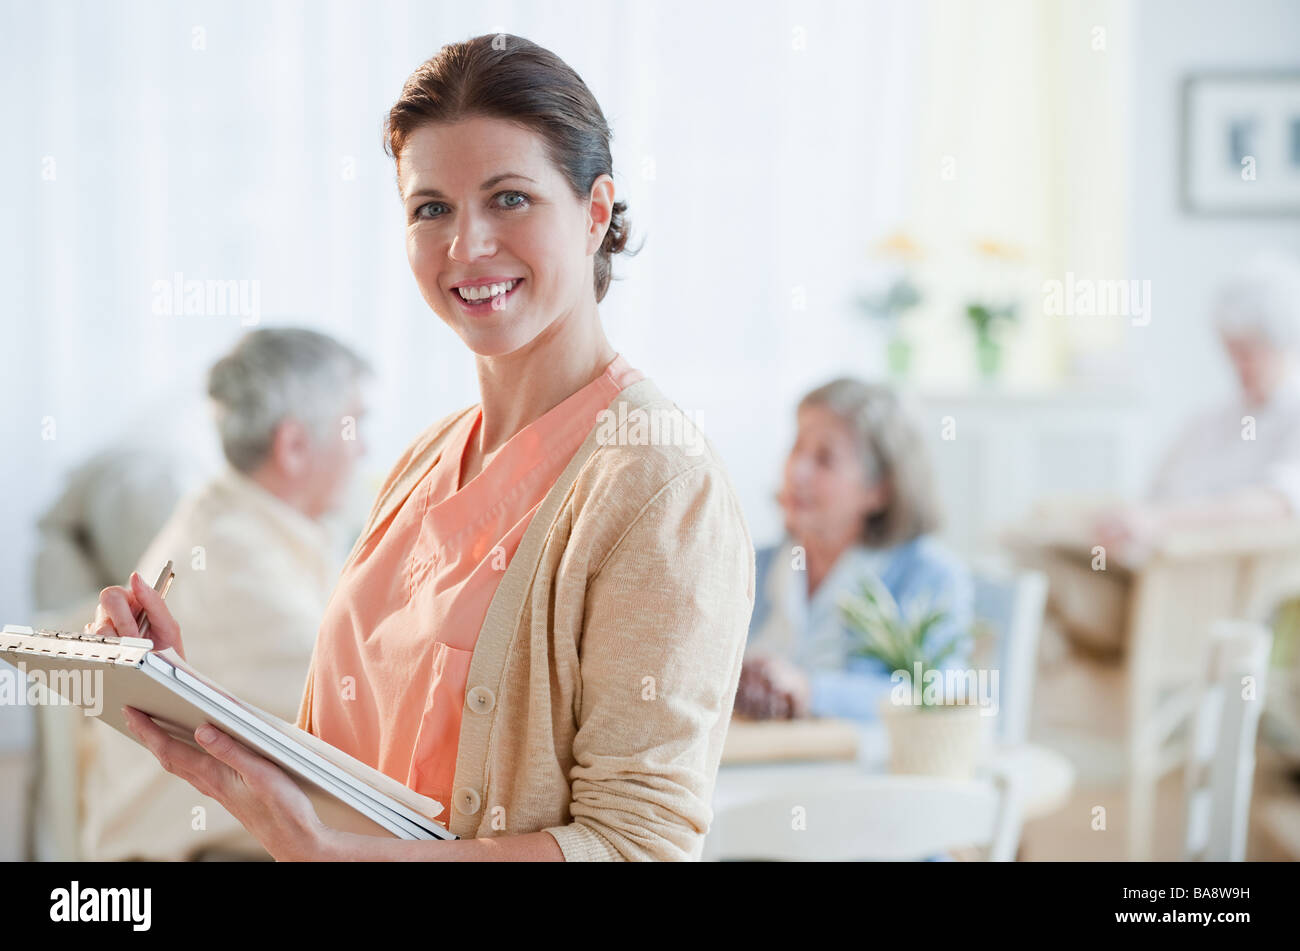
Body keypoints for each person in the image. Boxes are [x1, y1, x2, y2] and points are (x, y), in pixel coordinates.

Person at [86, 34, 755, 862]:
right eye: (431, 207)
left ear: (593, 212)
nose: (465, 246)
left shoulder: (661, 485)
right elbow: (358, 772)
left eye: (509, 198)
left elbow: (636, 845)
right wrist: (180, 691)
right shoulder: (421, 461)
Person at [81, 328, 371, 861]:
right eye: (355, 424)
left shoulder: (256, 523)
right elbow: (352, 720)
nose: (365, 448)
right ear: (295, 446)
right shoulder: (231, 556)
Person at [737, 378, 973, 721]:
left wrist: (809, 691)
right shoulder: (752, 563)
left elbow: (938, 695)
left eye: (824, 459)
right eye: (797, 449)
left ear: (878, 489)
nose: (797, 472)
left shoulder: (928, 574)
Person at [1093, 250, 1300, 561]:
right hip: (1144, 559)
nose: (1236, 365)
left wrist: (1160, 522)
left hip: (1195, 575)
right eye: (1231, 350)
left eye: (1247, 351)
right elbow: (1155, 492)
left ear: (1283, 341)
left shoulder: (1291, 416)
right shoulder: (1212, 421)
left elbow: (1278, 503)